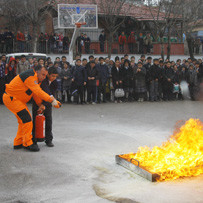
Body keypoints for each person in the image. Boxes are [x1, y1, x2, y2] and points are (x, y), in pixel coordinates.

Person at [3, 65, 61, 152]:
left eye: (45, 75)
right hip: (12, 99)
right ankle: (27, 143)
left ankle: (18, 142)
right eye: (43, 74)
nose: (44, 77)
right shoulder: (31, 76)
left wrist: (40, 104)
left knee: (23, 121)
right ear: (37, 72)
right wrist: (52, 100)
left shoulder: (37, 80)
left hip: (17, 100)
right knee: (27, 120)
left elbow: (35, 94)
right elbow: (38, 91)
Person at [32, 67, 58, 147]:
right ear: (48, 74)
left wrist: (46, 104)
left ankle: (49, 139)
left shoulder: (55, 82)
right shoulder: (43, 81)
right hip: (37, 102)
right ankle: (34, 140)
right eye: (52, 76)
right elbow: (45, 92)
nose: (54, 78)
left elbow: (52, 94)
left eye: (56, 76)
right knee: (35, 121)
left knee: (49, 120)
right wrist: (41, 104)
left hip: (47, 103)